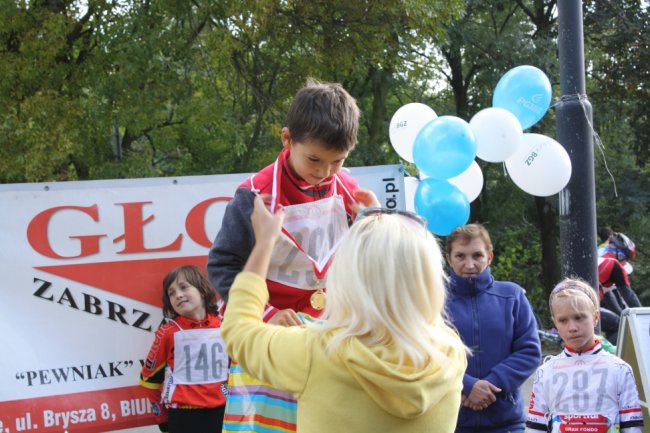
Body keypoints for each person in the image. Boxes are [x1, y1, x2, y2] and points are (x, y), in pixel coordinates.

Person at [207, 79, 379, 432]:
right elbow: (222, 266)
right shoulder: (253, 195)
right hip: (272, 338)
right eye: (314, 159)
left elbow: (366, 261)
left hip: (331, 333)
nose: (324, 172)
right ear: (287, 139)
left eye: (338, 161)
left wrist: (371, 222)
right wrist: (266, 313)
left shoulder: (347, 188)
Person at [221, 198, 468, 433]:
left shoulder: (317, 353)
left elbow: (239, 332)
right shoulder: (451, 351)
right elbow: (395, 271)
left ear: (346, 274)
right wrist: (385, 232)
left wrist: (264, 243)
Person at [444, 223, 541, 433]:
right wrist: (467, 385)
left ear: (490, 257)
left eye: (477, 255)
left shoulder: (512, 296)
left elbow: (529, 351)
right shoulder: (433, 300)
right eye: (461, 256)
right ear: (449, 259)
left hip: (506, 422)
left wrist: (491, 385)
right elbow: (427, 354)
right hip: (450, 422)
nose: (469, 264)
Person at [526, 278, 644, 433]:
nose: (572, 327)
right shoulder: (545, 371)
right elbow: (536, 427)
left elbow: (632, 427)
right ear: (555, 323)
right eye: (563, 320)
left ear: (595, 317)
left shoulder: (620, 369)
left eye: (579, 317)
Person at [139, 265, 227, 433]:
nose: (178, 295)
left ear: (202, 290)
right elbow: (148, 380)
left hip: (224, 411)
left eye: (184, 287)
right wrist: (162, 419)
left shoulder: (226, 325)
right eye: (171, 293)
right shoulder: (168, 332)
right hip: (183, 416)